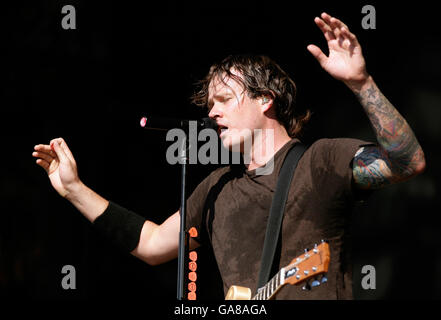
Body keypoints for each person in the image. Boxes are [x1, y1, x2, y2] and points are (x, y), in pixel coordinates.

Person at [32, 13, 425, 299]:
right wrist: (73, 189)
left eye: (224, 100)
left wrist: (362, 83)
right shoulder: (217, 187)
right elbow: (152, 244)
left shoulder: (321, 161)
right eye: (210, 104)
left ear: (265, 100)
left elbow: (408, 163)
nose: (212, 112)